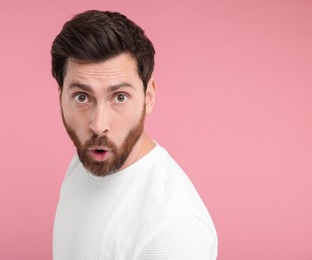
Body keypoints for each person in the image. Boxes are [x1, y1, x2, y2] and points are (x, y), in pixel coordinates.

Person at [51, 9, 218, 259]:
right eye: (82, 97)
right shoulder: (84, 160)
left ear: (148, 96)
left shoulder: (175, 228)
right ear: (60, 97)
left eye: (119, 97)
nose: (98, 125)